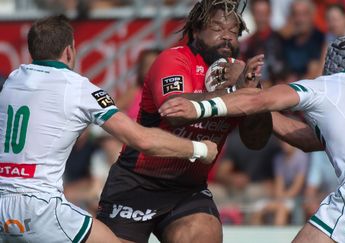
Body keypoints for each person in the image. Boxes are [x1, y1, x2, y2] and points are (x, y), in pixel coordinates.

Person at [160, 36, 345, 242]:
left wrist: (201, 107)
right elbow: (308, 140)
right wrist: (261, 104)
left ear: (330, 61)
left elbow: (260, 101)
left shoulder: (326, 86)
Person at [0, 15, 217, 243]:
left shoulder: (13, 80)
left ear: (32, 51)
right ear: (69, 51)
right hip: (39, 207)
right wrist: (200, 149)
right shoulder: (77, 87)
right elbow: (141, 139)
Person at [96, 1, 272, 242]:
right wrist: (235, 95)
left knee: (204, 234)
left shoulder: (239, 74)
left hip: (187, 190)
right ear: (197, 30)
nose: (227, 37)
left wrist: (255, 94)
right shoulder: (174, 60)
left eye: (233, 31)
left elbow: (256, 140)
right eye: (218, 28)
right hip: (137, 182)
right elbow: (175, 111)